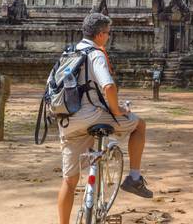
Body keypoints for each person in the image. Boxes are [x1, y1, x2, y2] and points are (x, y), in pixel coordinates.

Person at [57, 13, 152, 224]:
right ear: (100, 34)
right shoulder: (96, 53)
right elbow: (108, 86)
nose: (108, 37)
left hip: (66, 120)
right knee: (139, 126)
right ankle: (134, 178)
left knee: (69, 181)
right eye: (108, 33)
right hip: (93, 117)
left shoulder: (67, 53)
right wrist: (117, 110)